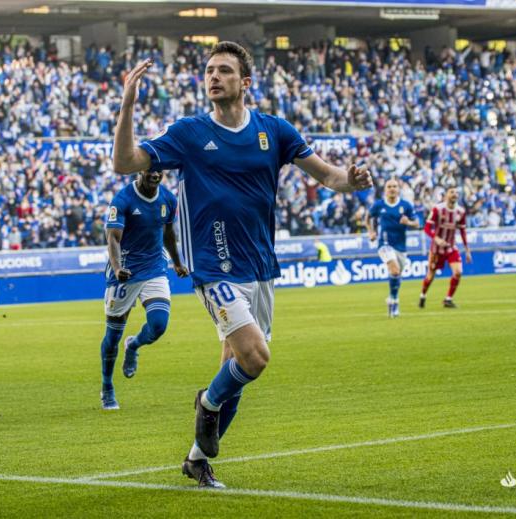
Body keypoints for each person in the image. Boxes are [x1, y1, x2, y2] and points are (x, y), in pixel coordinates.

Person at [113, 41, 372, 488]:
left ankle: (196, 460)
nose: (213, 77)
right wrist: (127, 106)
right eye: (209, 70)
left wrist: (350, 180)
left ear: (245, 82)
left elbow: (328, 176)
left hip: (260, 267)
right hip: (214, 268)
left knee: (234, 369)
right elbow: (124, 162)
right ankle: (206, 405)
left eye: (224, 71)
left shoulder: (275, 131)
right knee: (255, 357)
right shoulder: (189, 133)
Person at [100, 169, 188, 410]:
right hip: (125, 272)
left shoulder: (168, 200)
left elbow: (169, 233)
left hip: (154, 268)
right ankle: (107, 387)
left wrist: (177, 263)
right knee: (112, 336)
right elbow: (113, 238)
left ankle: (134, 345)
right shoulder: (123, 199)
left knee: (159, 325)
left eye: (159, 170)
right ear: (140, 169)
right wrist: (118, 268)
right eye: (150, 169)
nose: (155, 174)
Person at [366, 178, 419, 317]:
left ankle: (391, 297)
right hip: (384, 244)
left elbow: (417, 223)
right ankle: (395, 302)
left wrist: (408, 222)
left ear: (398, 189)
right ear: (385, 189)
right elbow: (367, 217)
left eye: (394, 186)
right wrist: (371, 231)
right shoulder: (379, 205)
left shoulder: (405, 205)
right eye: (389, 186)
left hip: (401, 246)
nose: (392, 189)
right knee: (394, 270)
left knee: (397, 275)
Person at [419, 186, 472, 309]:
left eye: (456, 192)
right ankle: (423, 295)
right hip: (436, 249)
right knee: (430, 276)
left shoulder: (461, 211)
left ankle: (448, 299)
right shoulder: (438, 209)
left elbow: (463, 231)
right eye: (451, 192)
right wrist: (436, 238)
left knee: (458, 272)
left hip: (451, 247)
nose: (454, 194)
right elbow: (427, 228)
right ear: (446, 194)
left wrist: (467, 249)